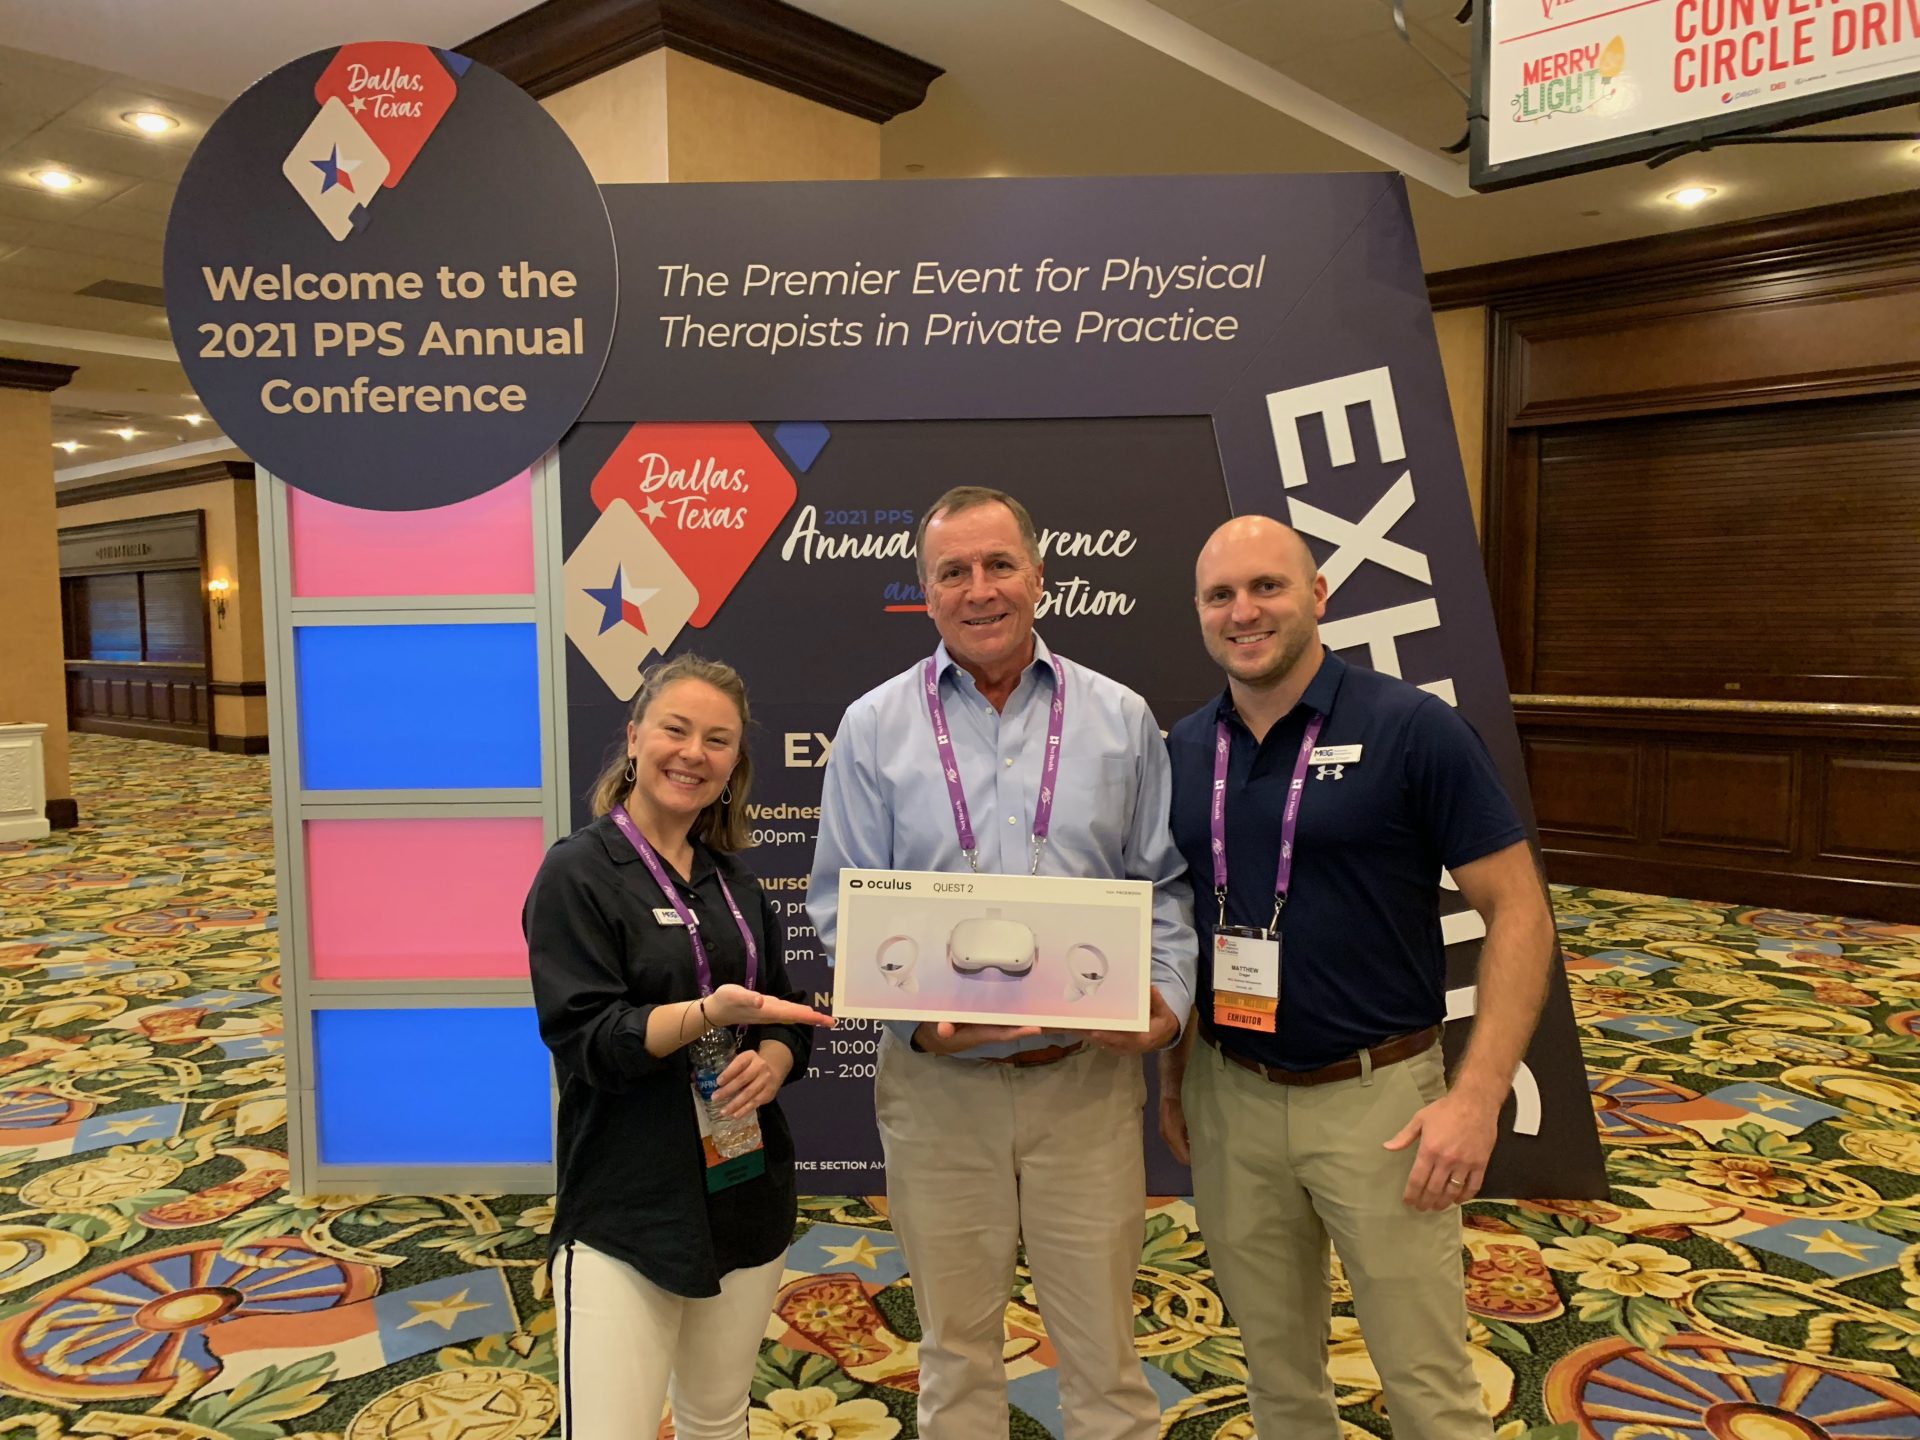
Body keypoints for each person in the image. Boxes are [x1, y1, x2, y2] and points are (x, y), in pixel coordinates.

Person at [807, 485, 1197, 1440]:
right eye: (953, 572)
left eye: (998, 565)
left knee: (1106, 1357)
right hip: (938, 1092)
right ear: (926, 591)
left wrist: (1166, 997)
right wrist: (917, 1021)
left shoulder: (1121, 718)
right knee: (954, 1356)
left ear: (1039, 576)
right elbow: (840, 905)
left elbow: (1165, 886)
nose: (979, 589)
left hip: (1085, 1085)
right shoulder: (872, 726)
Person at [1158, 516, 1555, 1440]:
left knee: (1426, 1381)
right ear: (1200, 612)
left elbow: (1520, 912)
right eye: (1221, 595)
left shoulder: (1413, 728)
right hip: (1230, 1093)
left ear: (1318, 596)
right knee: (1276, 1372)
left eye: (1267, 586)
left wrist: (1477, 1098)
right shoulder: (1184, 749)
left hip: (1380, 1104)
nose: (1244, 612)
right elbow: (1185, 925)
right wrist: (1176, 1081)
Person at [524, 654, 834, 1440]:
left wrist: (775, 1058)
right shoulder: (577, 873)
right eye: (676, 730)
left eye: (717, 740)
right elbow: (589, 1040)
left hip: (742, 1189)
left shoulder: (736, 883)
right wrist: (703, 1014)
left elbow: (783, 1009)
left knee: (718, 1418)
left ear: (734, 764)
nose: (694, 753)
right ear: (634, 738)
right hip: (628, 1204)